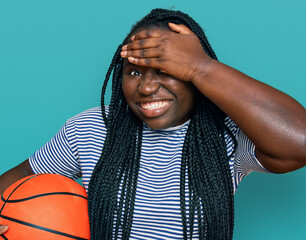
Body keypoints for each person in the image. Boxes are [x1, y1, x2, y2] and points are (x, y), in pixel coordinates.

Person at [0, 8, 305, 240]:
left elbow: (299, 142)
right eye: (134, 72)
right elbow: (23, 176)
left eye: (165, 70)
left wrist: (202, 66)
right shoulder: (93, 128)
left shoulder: (225, 134)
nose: (146, 88)